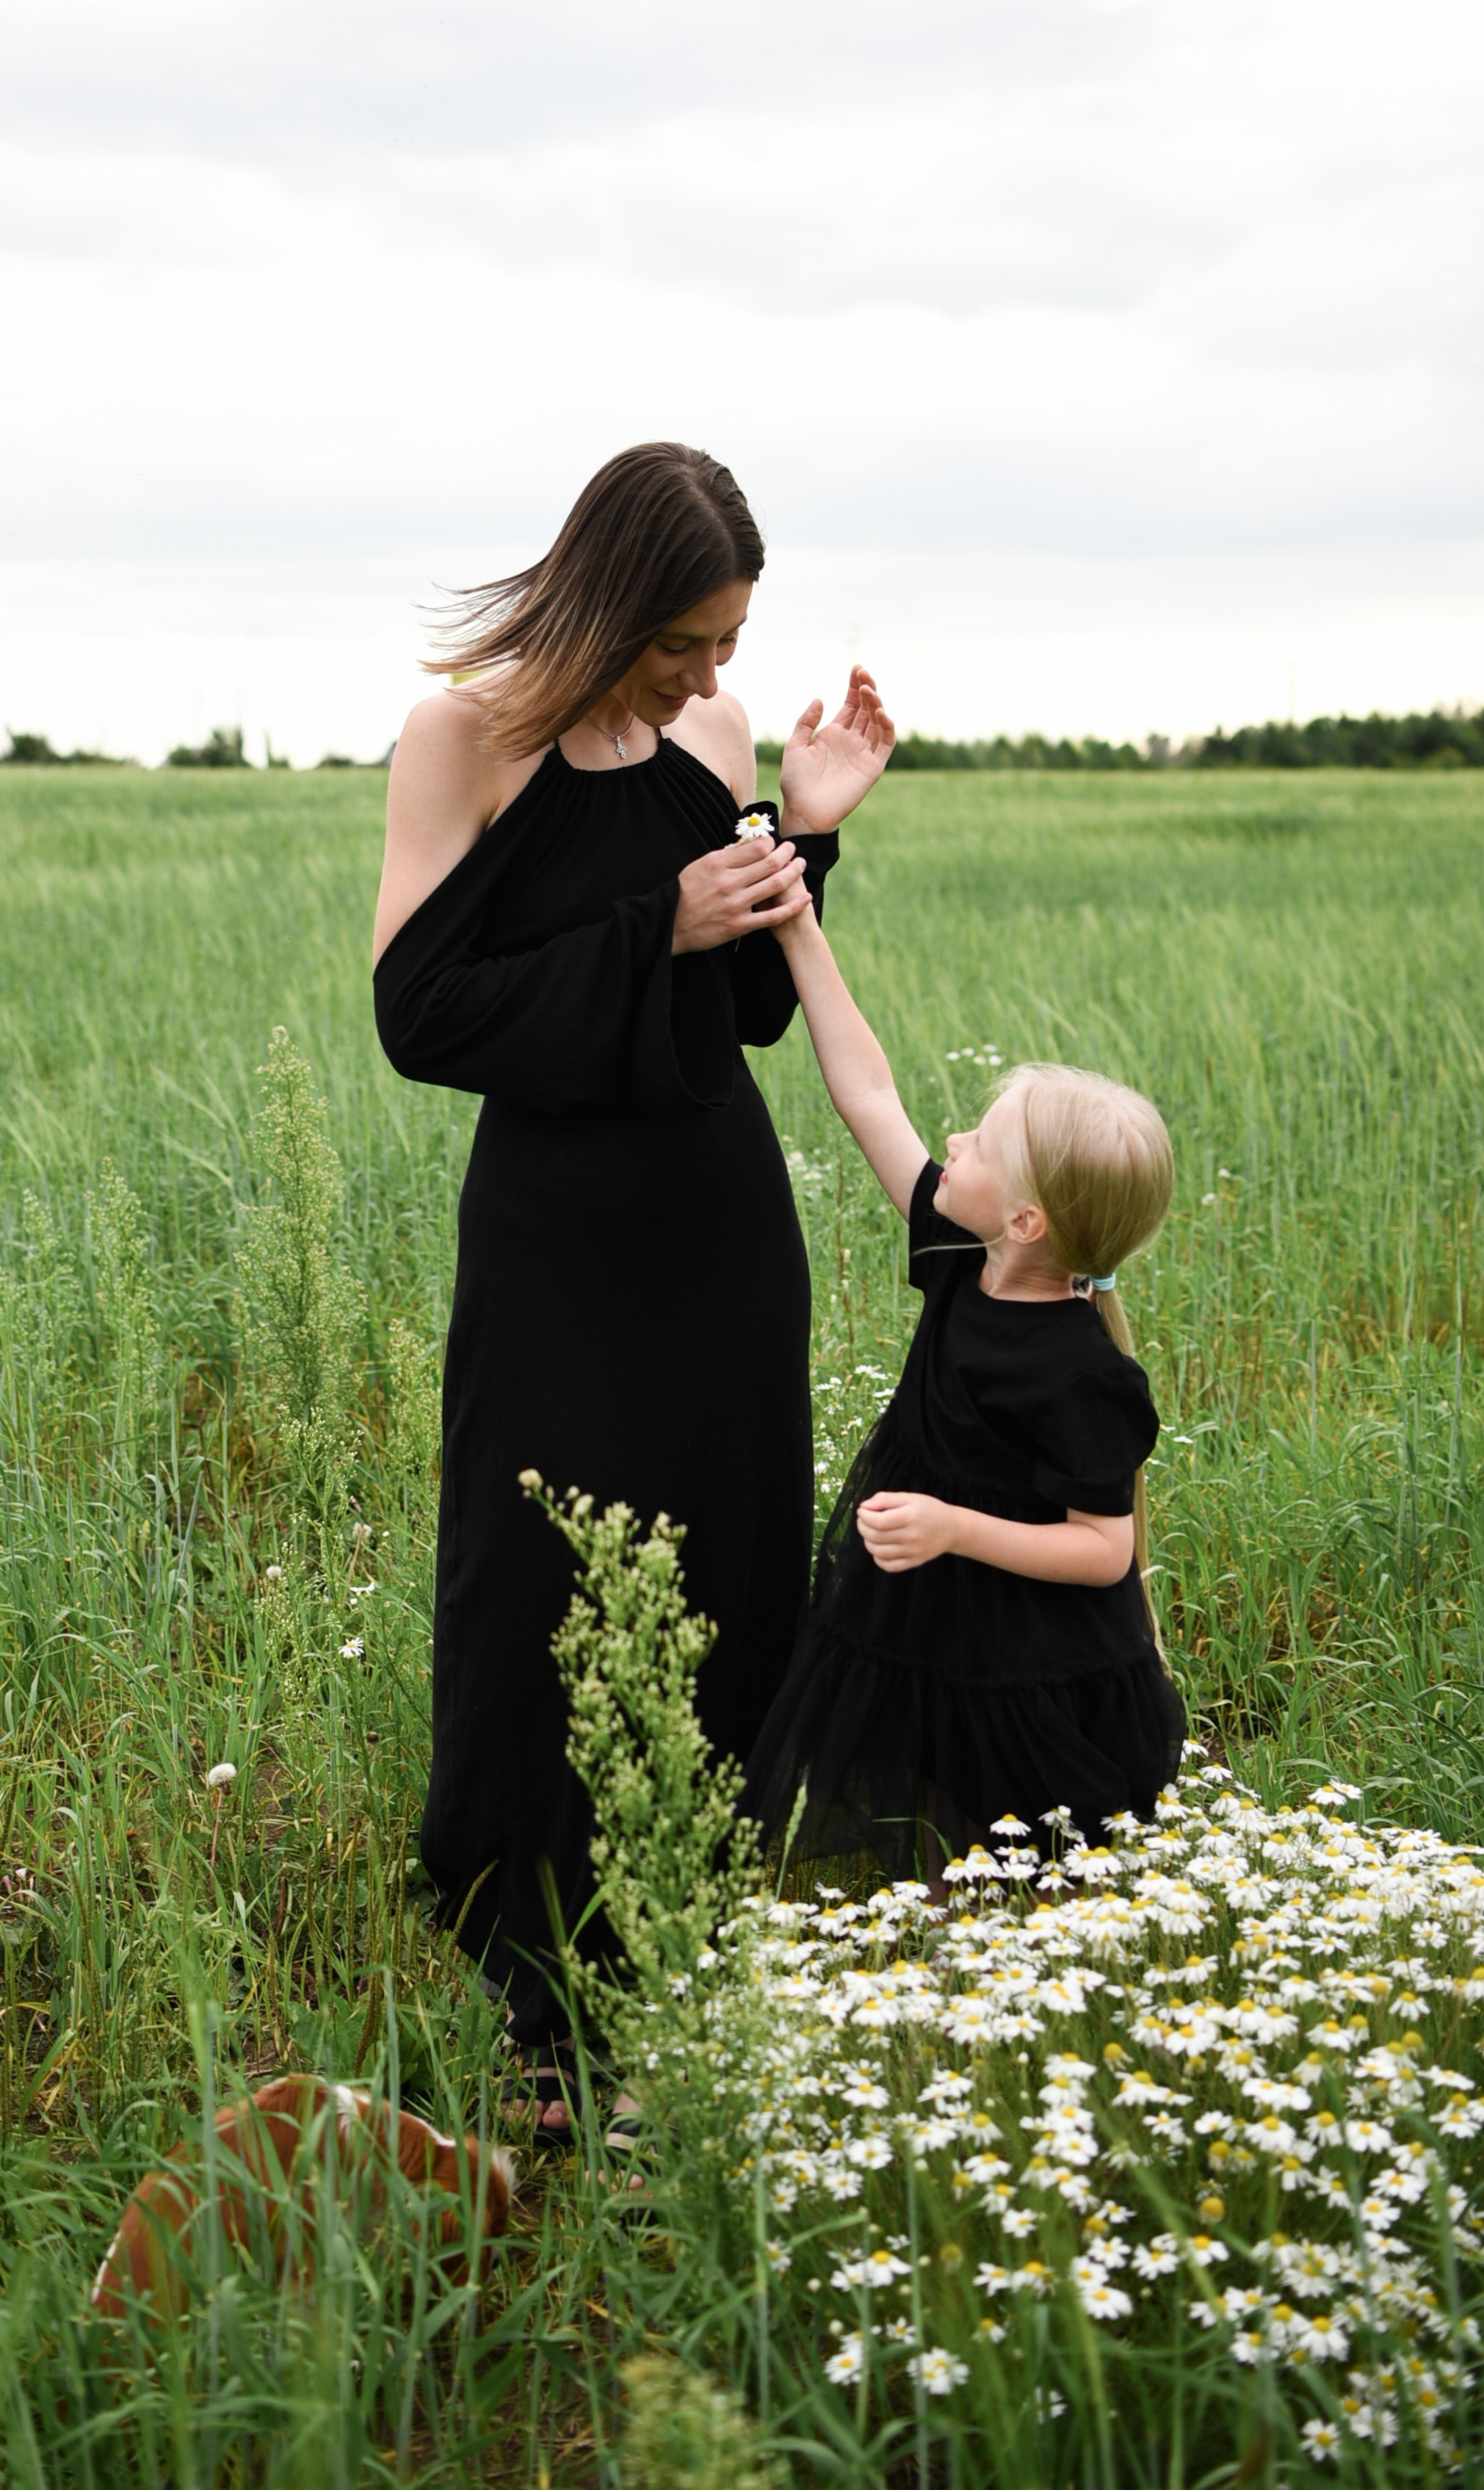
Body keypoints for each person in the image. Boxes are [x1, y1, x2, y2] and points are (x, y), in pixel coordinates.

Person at [372, 443, 894, 2138]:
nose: (710, 672)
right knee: (539, 1597)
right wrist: (649, 925)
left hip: (723, 1234)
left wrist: (807, 834)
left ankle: (692, 1969)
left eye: (729, 639)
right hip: (557, 1248)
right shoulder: (465, 737)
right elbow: (419, 1014)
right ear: (607, 602)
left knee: (727, 1576)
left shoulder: (715, 741)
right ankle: (541, 2012)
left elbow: (748, 1010)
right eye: (684, 641)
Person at [742, 900, 1186, 1892]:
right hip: (927, 1597)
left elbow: (1103, 1550)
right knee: (936, 1773)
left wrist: (952, 1527)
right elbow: (868, 1094)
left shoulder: (1083, 1373)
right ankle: (949, 1906)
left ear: (1027, 1220)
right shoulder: (959, 1252)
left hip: (1025, 1634)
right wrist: (801, 930)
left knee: (1023, 1824)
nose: (952, 1140)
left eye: (978, 1144)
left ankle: (1010, 1934)